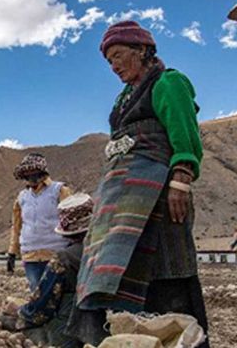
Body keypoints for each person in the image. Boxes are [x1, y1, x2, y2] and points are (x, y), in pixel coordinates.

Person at [66, 20, 209, 347]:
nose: (114, 65)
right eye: (109, 60)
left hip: (159, 198)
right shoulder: (123, 99)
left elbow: (184, 134)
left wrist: (181, 179)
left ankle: (181, 336)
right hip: (121, 207)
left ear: (142, 50)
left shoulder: (167, 82)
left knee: (167, 267)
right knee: (117, 275)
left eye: (118, 55)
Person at [0, 193, 94, 348]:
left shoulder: (64, 258)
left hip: (73, 333)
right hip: (106, 327)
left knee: (5, 320)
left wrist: (19, 311)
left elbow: (41, 307)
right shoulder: (109, 251)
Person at [7, 153, 73, 290]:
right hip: (30, 254)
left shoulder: (59, 190)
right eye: (27, 174)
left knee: (57, 292)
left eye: (34, 172)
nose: (31, 177)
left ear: (42, 172)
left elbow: (71, 219)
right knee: (36, 293)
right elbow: (17, 227)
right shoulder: (22, 197)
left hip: (56, 253)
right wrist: (12, 252)